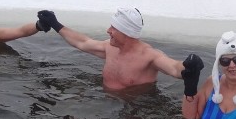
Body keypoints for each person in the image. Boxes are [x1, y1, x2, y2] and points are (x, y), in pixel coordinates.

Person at [36, 7, 203, 92]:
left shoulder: (149, 56)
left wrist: (189, 66)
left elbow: (174, 68)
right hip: (106, 100)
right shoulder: (110, 47)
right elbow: (82, 42)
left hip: (137, 107)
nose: (108, 30)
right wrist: (56, 25)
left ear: (127, 33)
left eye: (113, 28)